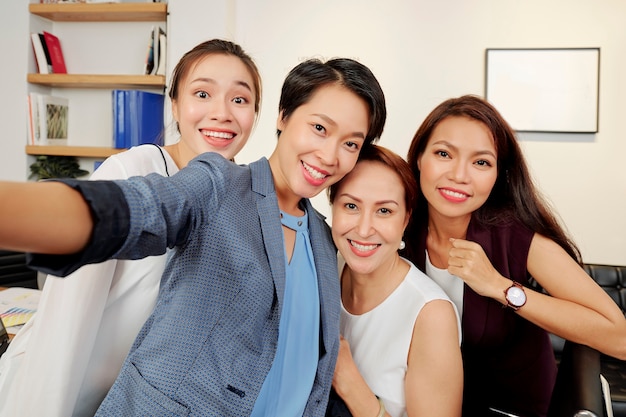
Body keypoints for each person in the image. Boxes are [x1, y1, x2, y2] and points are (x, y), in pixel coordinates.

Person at [0, 56, 387, 416]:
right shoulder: (219, 183)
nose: (331, 155)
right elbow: (137, 208)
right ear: (283, 116)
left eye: (351, 143)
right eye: (319, 128)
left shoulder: (324, 237)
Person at [0, 38, 262, 417]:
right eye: (202, 93)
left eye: (239, 100)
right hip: (57, 391)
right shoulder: (133, 172)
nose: (222, 113)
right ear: (174, 104)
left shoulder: (243, 198)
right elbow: (66, 316)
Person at [402, 94, 626, 417]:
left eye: (481, 162)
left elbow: (619, 337)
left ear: (498, 175)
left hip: (513, 409)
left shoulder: (515, 236)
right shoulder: (401, 229)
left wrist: (500, 287)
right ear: (419, 158)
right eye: (443, 154)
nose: (459, 175)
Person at [326, 145, 463, 417]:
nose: (364, 229)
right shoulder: (323, 269)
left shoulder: (431, 315)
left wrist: (351, 386)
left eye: (384, 211)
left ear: (406, 220)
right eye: (351, 206)